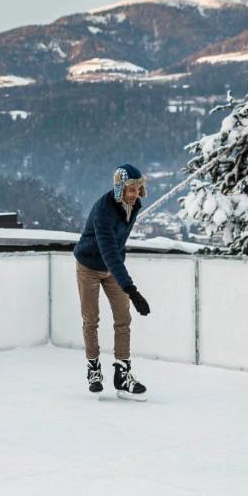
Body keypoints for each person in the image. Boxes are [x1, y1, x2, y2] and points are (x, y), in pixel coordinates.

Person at [73, 163, 153, 400]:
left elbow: (117, 246)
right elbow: (109, 252)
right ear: (119, 188)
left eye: (138, 189)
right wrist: (133, 290)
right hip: (88, 265)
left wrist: (126, 290)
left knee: (123, 318)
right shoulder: (103, 211)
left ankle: (122, 373)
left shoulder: (134, 205)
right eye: (131, 189)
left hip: (112, 268)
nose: (136, 194)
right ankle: (94, 369)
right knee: (91, 319)